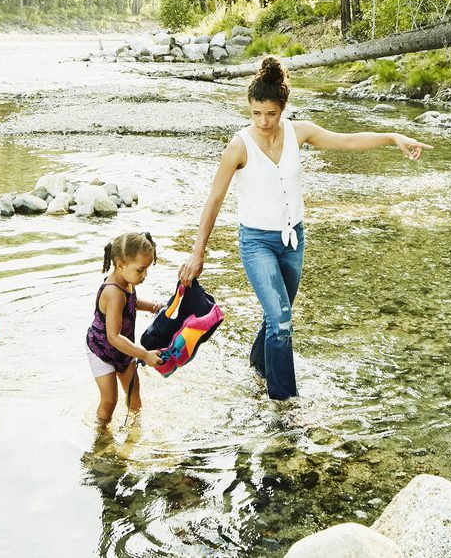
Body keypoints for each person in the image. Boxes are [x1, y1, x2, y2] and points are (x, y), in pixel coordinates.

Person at [177, 57, 429, 401]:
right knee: (281, 321)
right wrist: (197, 253)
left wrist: (393, 137)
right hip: (256, 244)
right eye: (256, 113)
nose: (263, 122)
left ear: (282, 109)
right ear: (249, 109)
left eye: (271, 113)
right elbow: (214, 200)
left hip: (294, 241)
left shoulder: (300, 132)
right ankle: (286, 404)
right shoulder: (239, 146)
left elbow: (348, 141)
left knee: (275, 318)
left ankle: (256, 370)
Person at [87, 231, 163, 424]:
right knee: (110, 400)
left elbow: (132, 302)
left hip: (124, 348)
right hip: (102, 350)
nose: (144, 275)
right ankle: (102, 436)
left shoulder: (127, 282)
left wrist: (154, 307)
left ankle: (135, 432)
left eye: (147, 269)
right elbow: (113, 336)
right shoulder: (113, 292)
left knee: (134, 397)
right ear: (120, 264)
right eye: (141, 270)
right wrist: (144, 354)